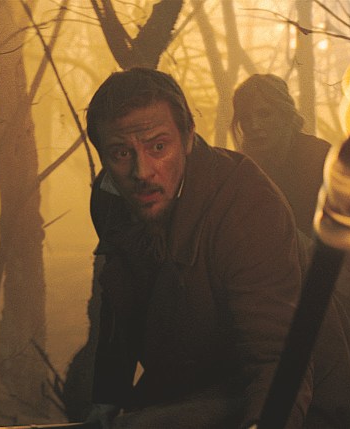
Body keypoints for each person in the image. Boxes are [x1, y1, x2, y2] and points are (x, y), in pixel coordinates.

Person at [83, 68, 311, 428]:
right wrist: (106, 400)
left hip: (281, 393)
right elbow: (119, 302)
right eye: (121, 153)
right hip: (189, 382)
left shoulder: (247, 203)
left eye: (158, 147)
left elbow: (277, 358)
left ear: (188, 137)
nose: (142, 172)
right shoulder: (108, 198)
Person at [232, 74, 350, 429]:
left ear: (286, 114)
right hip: (318, 278)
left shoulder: (319, 157)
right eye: (247, 117)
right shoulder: (250, 168)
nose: (255, 125)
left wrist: (339, 267)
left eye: (265, 114)